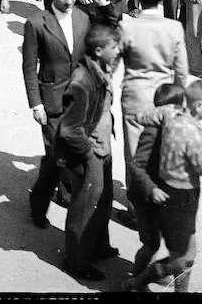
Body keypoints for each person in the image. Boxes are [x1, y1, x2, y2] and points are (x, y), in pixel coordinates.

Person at [126, 79, 202, 292]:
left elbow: (141, 115)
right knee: (164, 250)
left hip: (175, 196)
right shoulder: (162, 132)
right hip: (159, 196)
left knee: (186, 252)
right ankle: (137, 280)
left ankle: (161, 285)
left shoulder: (172, 116)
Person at [118, 0, 189, 228]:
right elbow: (182, 72)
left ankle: (137, 210)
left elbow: (113, 61)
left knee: (135, 154)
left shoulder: (128, 27)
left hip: (135, 96)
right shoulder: (174, 28)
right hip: (165, 97)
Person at [22, 0, 91, 227]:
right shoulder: (37, 22)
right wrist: (35, 103)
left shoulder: (83, 19)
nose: (70, 0)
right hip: (50, 101)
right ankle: (38, 204)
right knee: (53, 157)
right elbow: (29, 67)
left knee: (73, 152)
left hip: (77, 100)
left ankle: (66, 194)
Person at [53, 23, 120, 282]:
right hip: (91, 151)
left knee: (102, 200)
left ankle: (98, 246)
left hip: (103, 144)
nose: (118, 52)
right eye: (114, 48)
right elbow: (70, 128)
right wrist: (89, 153)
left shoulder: (101, 68)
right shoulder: (83, 80)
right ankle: (76, 260)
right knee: (85, 205)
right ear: (99, 50)